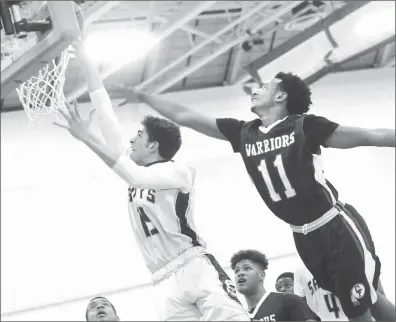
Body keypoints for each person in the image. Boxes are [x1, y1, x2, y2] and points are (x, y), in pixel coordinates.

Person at [110, 72, 395, 321]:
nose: (257, 89)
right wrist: (144, 96)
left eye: (266, 86)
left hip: (334, 226)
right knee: (364, 299)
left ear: (281, 96)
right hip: (303, 235)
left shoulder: (305, 126)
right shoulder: (244, 133)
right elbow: (188, 117)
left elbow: (366, 135)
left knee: (359, 309)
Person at [53, 46, 249, 321]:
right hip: (163, 279)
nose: (131, 140)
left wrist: (87, 138)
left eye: (139, 135)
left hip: (194, 267)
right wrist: (87, 62)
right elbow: (107, 117)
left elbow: (136, 177)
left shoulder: (178, 171)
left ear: (154, 145)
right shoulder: (132, 166)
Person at [231, 249, 320, 321]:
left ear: (261, 275)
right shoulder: (241, 316)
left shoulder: (287, 300)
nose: (240, 273)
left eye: (247, 268)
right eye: (237, 271)